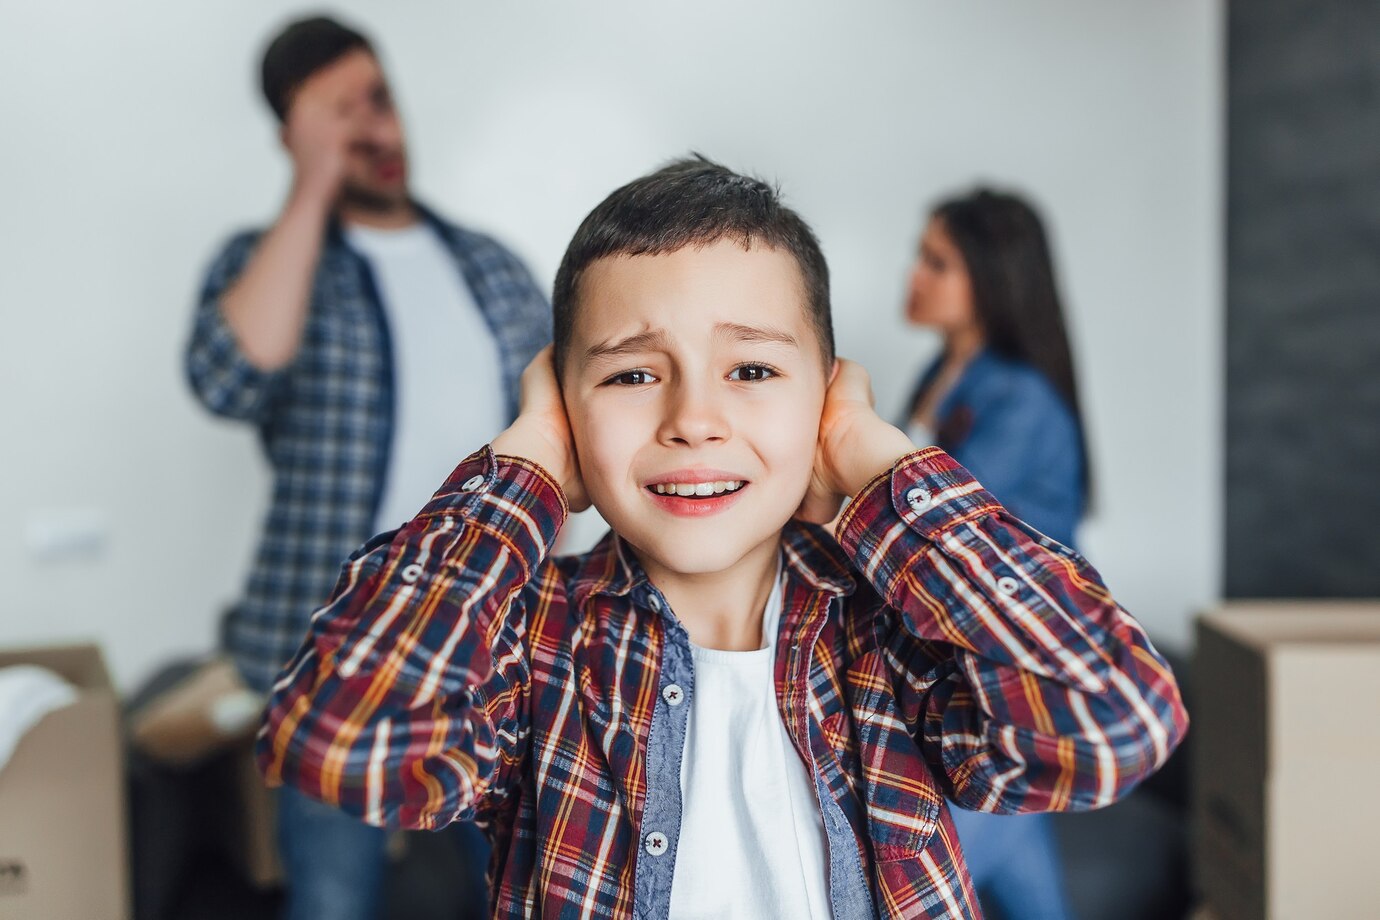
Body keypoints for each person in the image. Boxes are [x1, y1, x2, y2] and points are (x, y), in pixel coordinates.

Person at [258, 157, 1187, 919]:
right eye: (630, 377)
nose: (694, 419)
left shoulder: (890, 642)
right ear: (563, 405)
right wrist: (527, 469)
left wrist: (877, 468)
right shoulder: (536, 644)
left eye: (750, 368)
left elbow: (1116, 720)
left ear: (825, 396)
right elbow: (345, 739)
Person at [185, 16, 549, 920]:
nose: (374, 128)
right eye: (339, 112)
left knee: (525, 893)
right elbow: (230, 378)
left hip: (490, 651)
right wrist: (311, 184)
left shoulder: (490, 267)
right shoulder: (267, 264)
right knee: (333, 901)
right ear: (292, 135)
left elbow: (566, 432)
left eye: (377, 99)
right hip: (332, 660)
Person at [901, 188, 1092, 917]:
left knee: (930, 886)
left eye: (936, 261)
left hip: (1012, 672)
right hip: (968, 672)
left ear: (991, 277)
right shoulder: (941, 374)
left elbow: (928, 525)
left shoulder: (1021, 401)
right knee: (1023, 877)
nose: (913, 275)